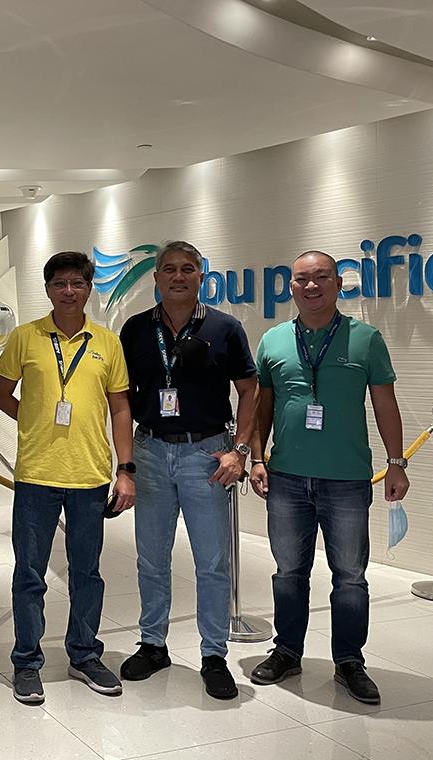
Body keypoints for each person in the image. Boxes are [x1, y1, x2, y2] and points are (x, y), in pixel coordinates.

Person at [249, 250, 409, 705]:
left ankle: (349, 661)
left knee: (351, 576)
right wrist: (257, 459)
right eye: (302, 279)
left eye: (322, 277)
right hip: (287, 478)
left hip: (347, 479)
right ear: (291, 287)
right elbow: (261, 407)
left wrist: (396, 463)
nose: (312, 286)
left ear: (339, 283)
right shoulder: (274, 340)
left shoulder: (366, 339)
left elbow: (384, 403)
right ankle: (287, 651)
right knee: (288, 572)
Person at [0, 250, 135, 705]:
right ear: (48, 289)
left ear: (88, 288)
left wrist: (125, 470)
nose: (69, 291)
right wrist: (34, 420)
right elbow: (0, 393)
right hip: (36, 474)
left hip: (90, 475)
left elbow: (120, 407)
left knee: (87, 573)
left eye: (77, 283)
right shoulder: (25, 337)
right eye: (60, 283)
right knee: (29, 573)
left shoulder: (107, 342)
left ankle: (85, 654)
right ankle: (26, 661)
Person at [118, 241, 257, 699]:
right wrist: (124, 461)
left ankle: (214, 654)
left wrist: (240, 451)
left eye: (188, 269)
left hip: (208, 455)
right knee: (151, 558)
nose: (178, 276)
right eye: (170, 269)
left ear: (202, 276)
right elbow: (121, 396)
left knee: (212, 562)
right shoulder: (136, 329)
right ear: (157, 277)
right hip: (152, 451)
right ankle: (153, 644)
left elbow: (250, 390)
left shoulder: (225, 327)